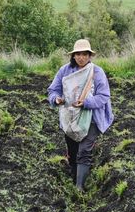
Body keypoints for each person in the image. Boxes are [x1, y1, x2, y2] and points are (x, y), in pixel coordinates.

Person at [47, 39, 114, 191]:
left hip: (91, 118)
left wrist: (85, 102)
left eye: (85, 54)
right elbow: (53, 90)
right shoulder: (65, 71)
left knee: (84, 151)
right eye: (78, 54)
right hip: (70, 118)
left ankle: (79, 187)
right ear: (73, 55)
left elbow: (103, 96)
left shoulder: (97, 72)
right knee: (73, 151)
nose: (81, 57)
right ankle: (74, 175)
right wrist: (56, 99)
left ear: (90, 56)